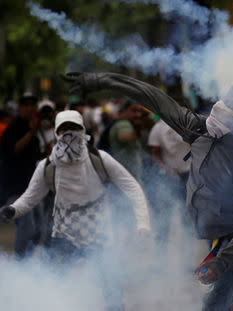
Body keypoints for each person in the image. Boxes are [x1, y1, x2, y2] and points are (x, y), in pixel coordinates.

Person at [62, 72, 233, 311]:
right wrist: (101, 81)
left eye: (229, 104)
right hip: (220, 239)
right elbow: (153, 98)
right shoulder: (198, 130)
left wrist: (220, 264)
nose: (219, 105)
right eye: (223, 99)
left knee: (215, 305)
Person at [0, 110, 151, 311]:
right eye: (64, 129)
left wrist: (143, 222)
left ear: (83, 130)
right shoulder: (47, 166)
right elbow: (30, 197)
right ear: (56, 132)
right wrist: (13, 210)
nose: (69, 133)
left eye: (74, 128)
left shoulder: (100, 159)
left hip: (98, 228)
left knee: (111, 287)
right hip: (64, 229)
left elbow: (132, 187)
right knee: (56, 284)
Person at [0, 93, 42, 259]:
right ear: (19, 107)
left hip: (32, 188)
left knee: (39, 228)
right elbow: (15, 150)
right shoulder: (14, 127)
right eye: (26, 105)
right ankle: (20, 265)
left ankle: (29, 263)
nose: (30, 108)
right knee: (27, 226)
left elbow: (35, 157)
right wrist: (31, 132)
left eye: (33, 104)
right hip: (15, 188)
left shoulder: (33, 128)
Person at [147, 119, 192, 267]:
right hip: (170, 178)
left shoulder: (186, 125)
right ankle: (161, 260)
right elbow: (154, 153)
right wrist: (167, 169)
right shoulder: (160, 127)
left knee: (186, 218)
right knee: (165, 218)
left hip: (186, 176)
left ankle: (185, 259)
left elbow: (154, 152)